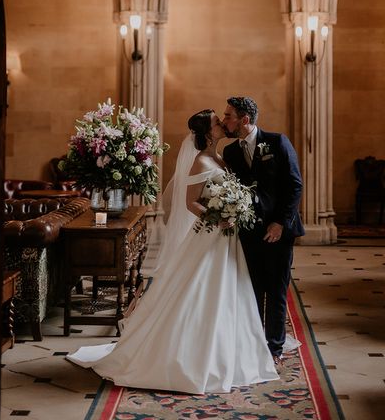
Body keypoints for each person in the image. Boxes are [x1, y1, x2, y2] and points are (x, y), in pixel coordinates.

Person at [66, 109, 278, 393]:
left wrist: (234, 209)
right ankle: (189, 355)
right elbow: (191, 203)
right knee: (201, 290)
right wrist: (216, 218)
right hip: (211, 234)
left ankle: (230, 350)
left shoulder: (220, 157)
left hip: (227, 237)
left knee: (230, 290)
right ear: (206, 132)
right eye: (216, 122)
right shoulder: (200, 161)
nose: (220, 124)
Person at [222, 97, 304, 367]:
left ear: (245, 119)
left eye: (229, 116)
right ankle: (255, 343)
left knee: (277, 291)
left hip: (280, 230)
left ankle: (275, 348)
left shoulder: (278, 141)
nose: (225, 121)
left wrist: (280, 222)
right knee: (253, 290)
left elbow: (294, 185)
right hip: (248, 233)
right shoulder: (231, 152)